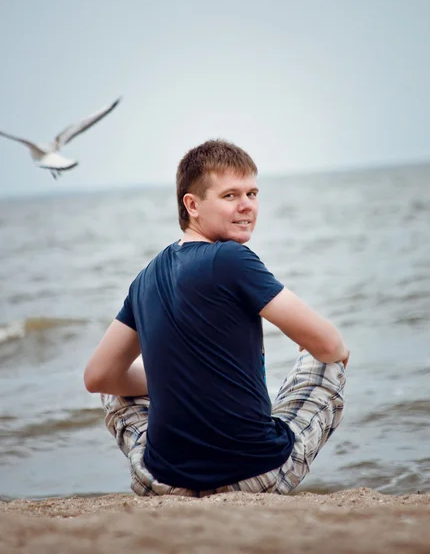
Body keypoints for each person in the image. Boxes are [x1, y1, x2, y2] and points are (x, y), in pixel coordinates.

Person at [84, 139, 349, 497]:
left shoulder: (145, 278)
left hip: (162, 480)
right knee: (327, 359)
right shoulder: (231, 258)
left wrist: (172, 376)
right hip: (257, 473)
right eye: (230, 196)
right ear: (192, 205)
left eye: (253, 193)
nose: (247, 206)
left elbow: (99, 376)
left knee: (114, 393)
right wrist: (314, 347)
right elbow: (330, 345)